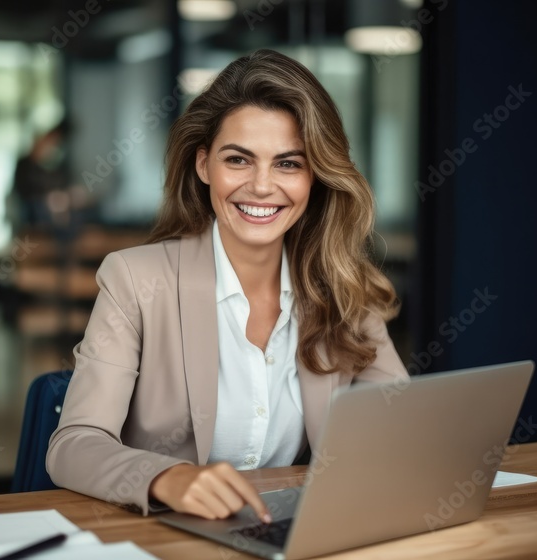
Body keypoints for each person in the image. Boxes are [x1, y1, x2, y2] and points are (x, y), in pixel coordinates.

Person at [46, 49, 408, 522]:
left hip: (288, 535)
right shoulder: (136, 279)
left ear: (315, 176)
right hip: (166, 538)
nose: (261, 186)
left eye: (288, 164)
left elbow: (402, 425)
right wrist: (165, 478)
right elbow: (73, 445)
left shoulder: (342, 286)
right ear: (204, 166)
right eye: (238, 159)